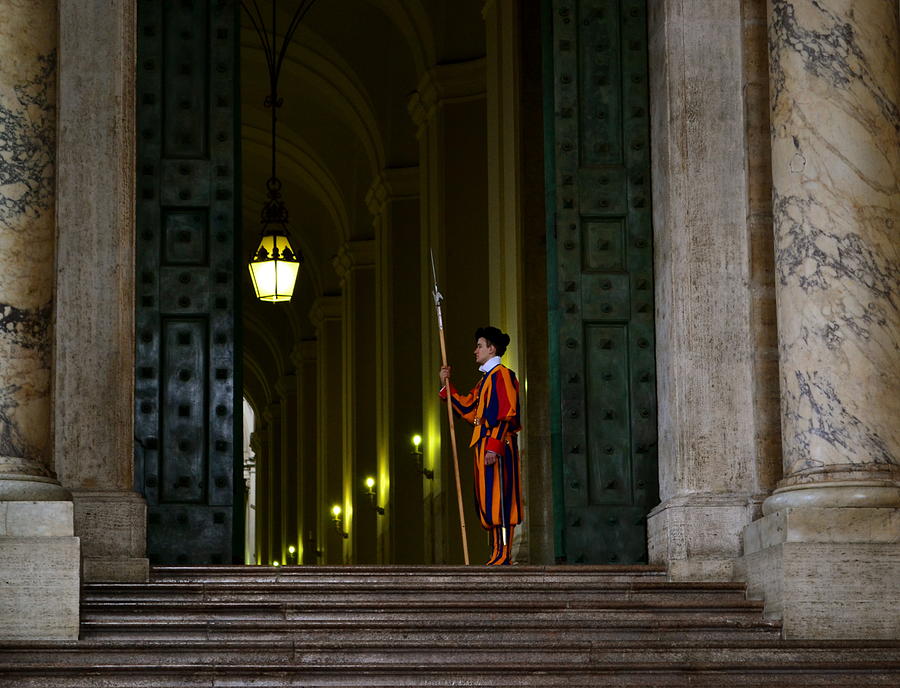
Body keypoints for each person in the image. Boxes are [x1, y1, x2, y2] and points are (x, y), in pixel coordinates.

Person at [440, 326, 522, 565]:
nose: (475, 350)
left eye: (479, 345)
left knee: (501, 501)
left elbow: (506, 413)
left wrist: (493, 446)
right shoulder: (485, 381)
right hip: (484, 446)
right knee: (488, 502)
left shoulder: (503, 376)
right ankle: (496, 551)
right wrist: (447, 386)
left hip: (496, 447)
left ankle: (504, 553)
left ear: (491, 348)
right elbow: (468, 409)